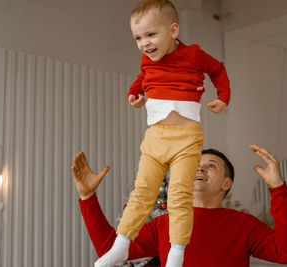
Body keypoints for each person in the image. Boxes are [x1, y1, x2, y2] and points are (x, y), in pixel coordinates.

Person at [101, 0, 231, 266]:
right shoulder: (146, 60)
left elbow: (217, 69)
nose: (144, 43)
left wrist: (223, 97)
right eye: (138, 37)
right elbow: (142, 77)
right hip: (156, 137)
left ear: (173, 30)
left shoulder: (193, 54)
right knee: (142, 192)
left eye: (150, 34)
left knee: (179, 195)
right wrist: (134, 93)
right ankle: (122, 244)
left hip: (186, 139)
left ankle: (176, 253)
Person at [72, 144, 287, 267]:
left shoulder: (244, 224)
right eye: (195, 165)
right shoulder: (163, 224)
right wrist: (88, 196)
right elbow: (109, 249)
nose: (200, 168)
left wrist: (278, 187)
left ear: (227, 183)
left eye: (211, 165)